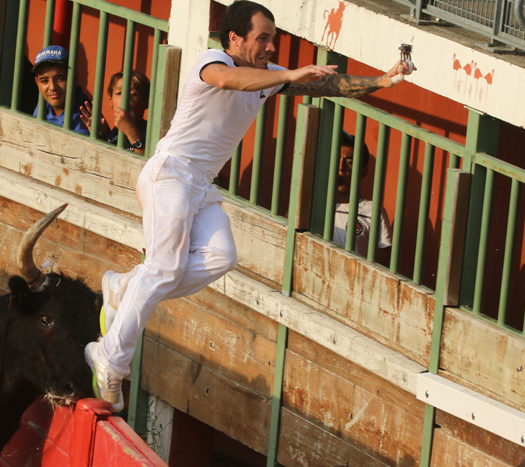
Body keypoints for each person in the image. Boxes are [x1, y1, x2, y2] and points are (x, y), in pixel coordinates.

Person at [85, 0, 412, 411]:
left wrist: (382, 80)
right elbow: (227, 81)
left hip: (201, 185)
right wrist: (289, 74)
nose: (272, 48)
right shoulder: (213, 60)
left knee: (222, 256)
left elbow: (327, 85)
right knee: (165, 268)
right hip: (169, 174)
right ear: (235, 37)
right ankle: (111, 359)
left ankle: (125, 286)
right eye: (264, 39)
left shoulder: (270, 75)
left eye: (273, 40)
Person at [331, 132, 392, 259]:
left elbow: (384, 262)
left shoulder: (372, 211)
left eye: (350, 162)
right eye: (337, 160)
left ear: (363, 171)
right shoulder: (314, 204)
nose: (341, 167)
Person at [81, 71, 150, 154]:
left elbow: (152, 164)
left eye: (133, 94)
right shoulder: (115, 132)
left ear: (146, 102)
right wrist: (103, 136)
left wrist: (131, 132)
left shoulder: (150, 130)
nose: (125, 99)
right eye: (119, 93)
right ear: (111, 100)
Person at [32, 45, 89, 136]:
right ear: (37, 82)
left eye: (60, 79)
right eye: (44, 81)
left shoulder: (84, 113)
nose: (52, 87)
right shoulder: (43, 103)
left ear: (73, 78)